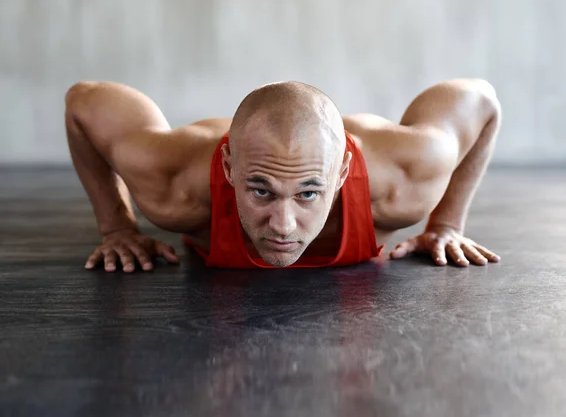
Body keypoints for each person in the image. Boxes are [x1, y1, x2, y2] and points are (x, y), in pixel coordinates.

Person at [65, 79, 501, 272]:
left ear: (342, 173)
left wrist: (445, 224)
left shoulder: (404, 178)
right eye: (261, 191)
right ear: (230, 169)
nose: (283, 226)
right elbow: (83, 100)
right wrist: (117, 227)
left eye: (309, 193)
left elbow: (481, 99)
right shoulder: (174, 185)